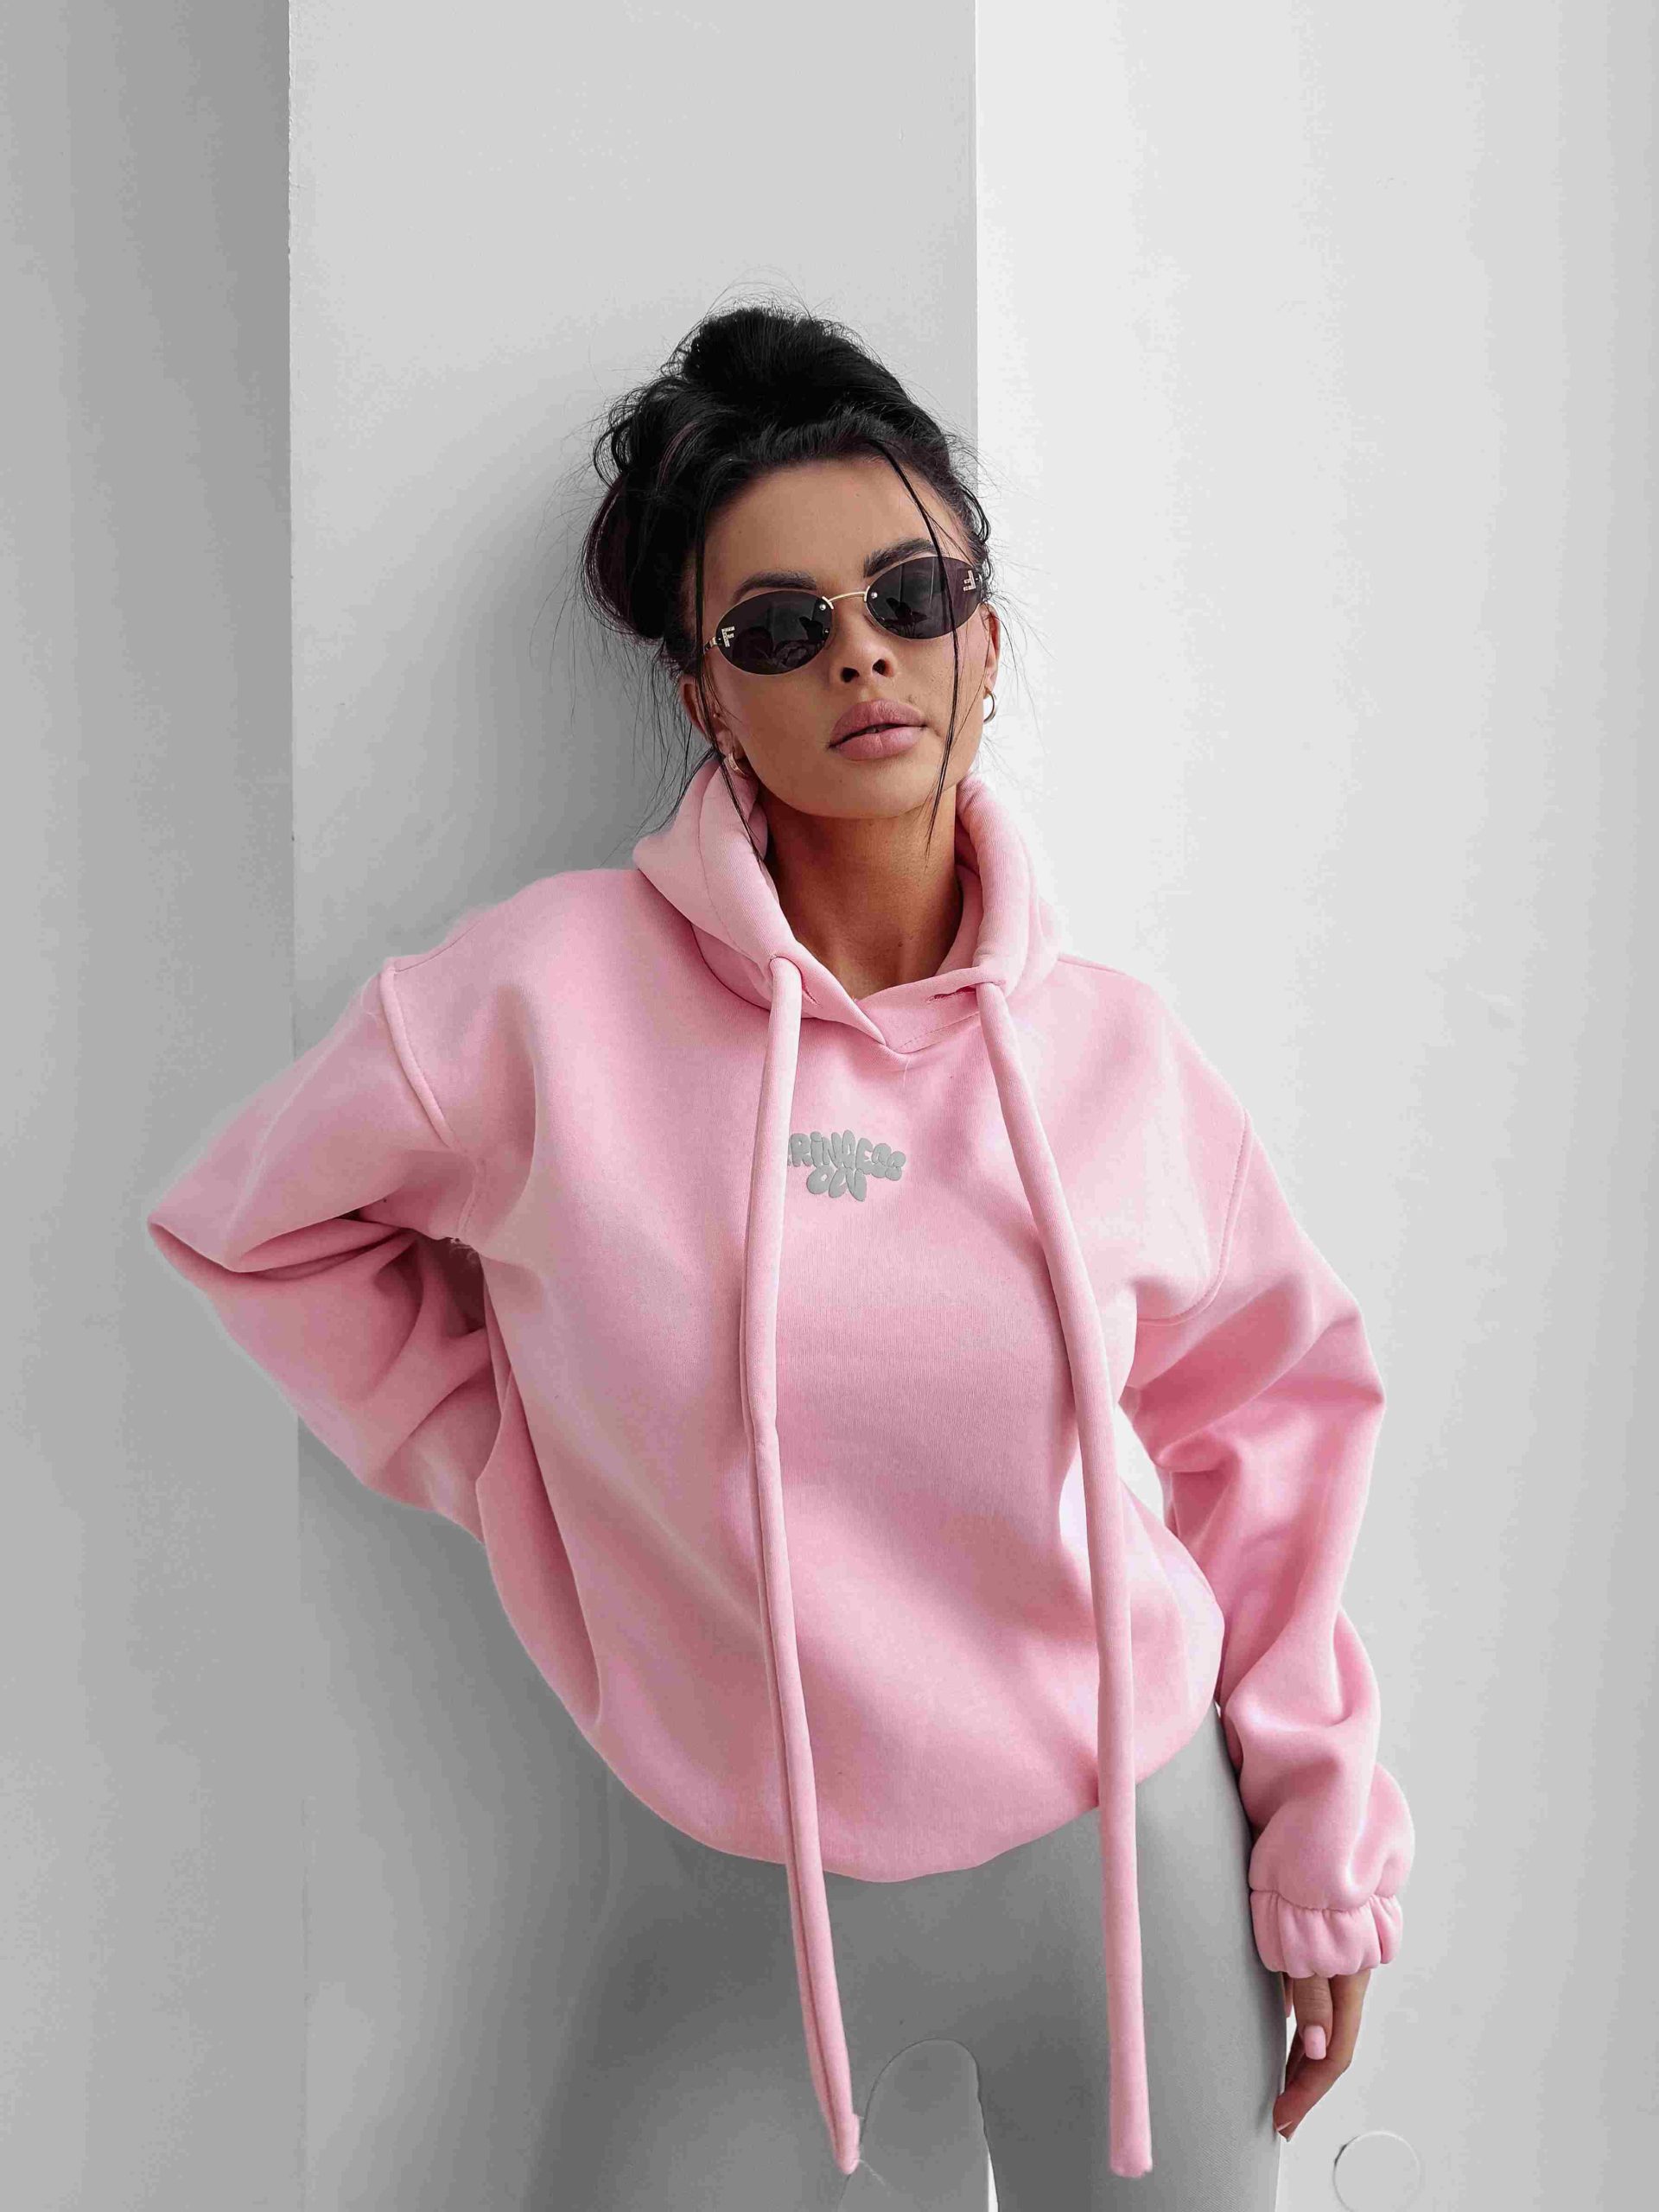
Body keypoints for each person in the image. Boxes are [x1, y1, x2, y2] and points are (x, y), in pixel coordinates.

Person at [143, 299, 1414, 2209]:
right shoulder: (535, 1007)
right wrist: (508, 1452)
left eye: (913, 594)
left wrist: (1320, 1831)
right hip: (724, 1893)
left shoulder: (1119, 1059)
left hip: (1125, 1871)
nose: (863, 654)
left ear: (986, 636)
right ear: (702, 695)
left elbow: (1279, 1428)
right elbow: (249, 1228)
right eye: (777, 627)